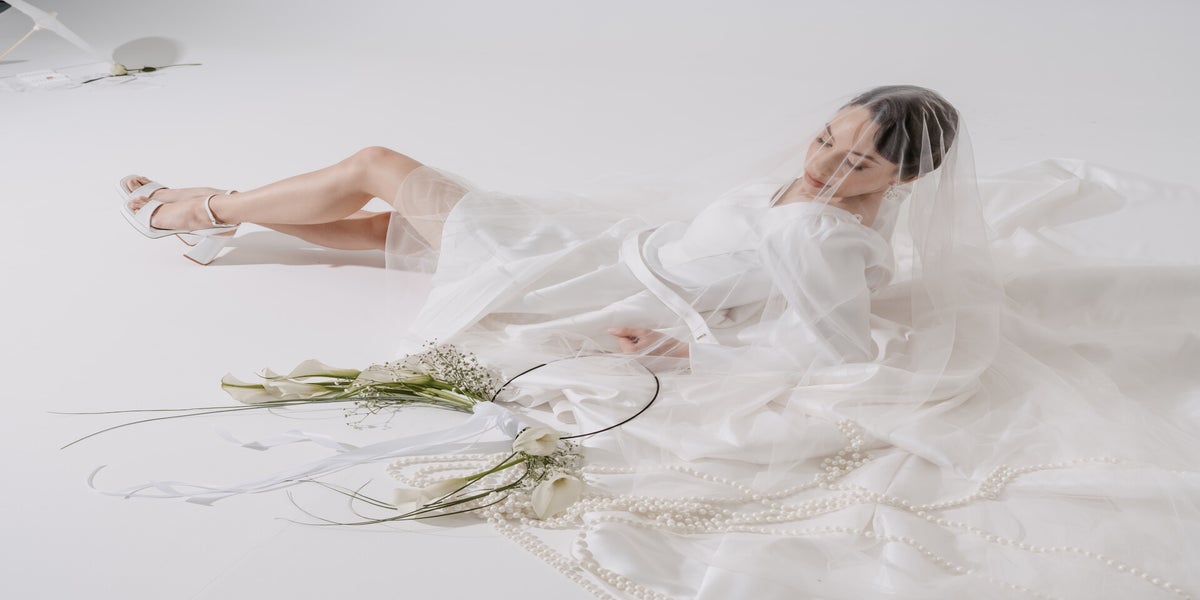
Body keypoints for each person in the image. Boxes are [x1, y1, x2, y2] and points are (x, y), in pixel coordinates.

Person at [118, 86, 1200, 599]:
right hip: (605, 248)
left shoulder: (824, 233)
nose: (826, 163)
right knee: (388, 233)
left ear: (904, 176)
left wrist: (687, 352)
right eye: (829, 137)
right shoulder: (831, 203)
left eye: (859, 162)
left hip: (600, 280)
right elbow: (766, 272)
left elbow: (828, 347)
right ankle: (215, 219)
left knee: (377, 169)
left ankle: (189, 212)